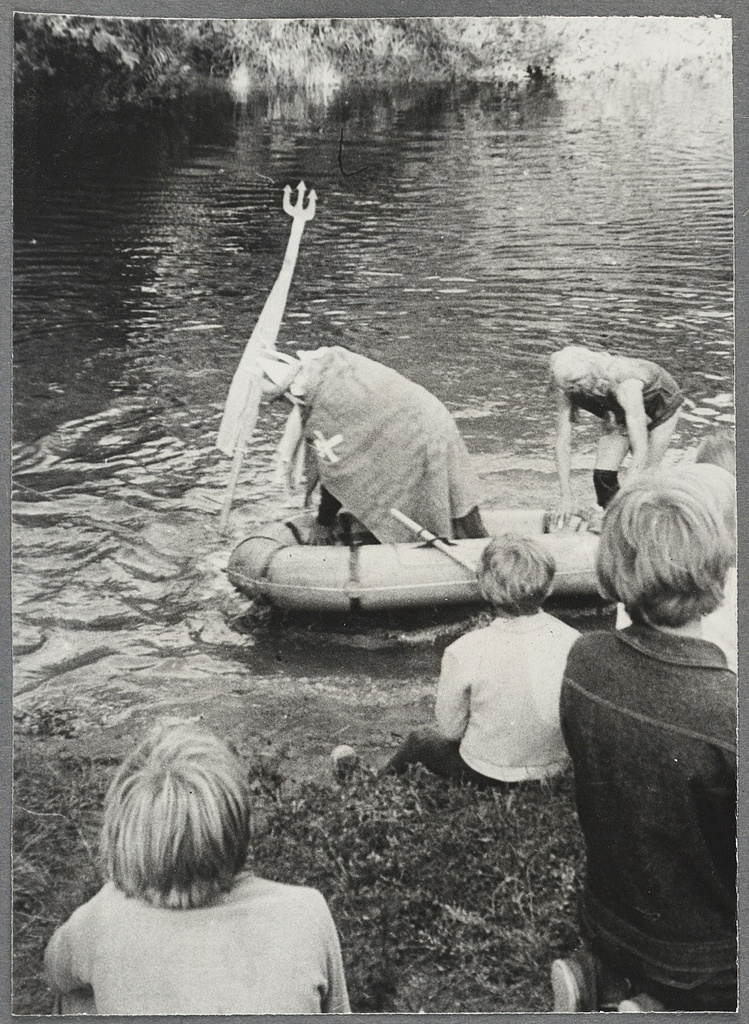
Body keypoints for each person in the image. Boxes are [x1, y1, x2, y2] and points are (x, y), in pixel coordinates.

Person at [552, 474, 736, 1012]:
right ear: (719, 567)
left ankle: (601, 979)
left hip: (608, 916)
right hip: (703, 959)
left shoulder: (585, 657)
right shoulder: (728, 710)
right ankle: (661, 1009)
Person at [44, 723, 351, 1015]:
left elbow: (55, 972)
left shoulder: (100, 917)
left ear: (123, 839)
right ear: (238, 826)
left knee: (75, 996)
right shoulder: (307, 909)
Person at [384, 534, 580, 785]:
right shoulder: (573, 639)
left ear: (484, 589)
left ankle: (369, 783)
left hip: (486, 773)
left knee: (421, 740)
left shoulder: (464, 649)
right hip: (554, 768)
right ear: (550, 586)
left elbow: (450, 731)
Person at [258, 346, 487, 545]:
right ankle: (477, 540)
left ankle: (459, 546)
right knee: (451, 495)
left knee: (431, 495)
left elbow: (340, 470)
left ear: (290, 395)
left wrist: (323, 522)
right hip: (429, 417)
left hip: (416, 431)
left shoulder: (325, 407)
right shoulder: (332, 367)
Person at [550, 345, 683, 516]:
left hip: (661, 403)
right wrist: (566, 496)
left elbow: (640, 450)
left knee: (646, 475)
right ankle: (612, 520)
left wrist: (626, 495)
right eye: (567, 386)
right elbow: (563, 442)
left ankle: (651, 516)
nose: (574, 389)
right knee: (603, 477)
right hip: (620, 408)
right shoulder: (566, 383)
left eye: (577, 382)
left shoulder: (625, 383)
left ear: (593, 372)